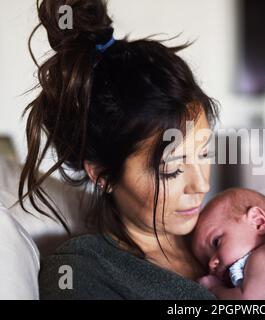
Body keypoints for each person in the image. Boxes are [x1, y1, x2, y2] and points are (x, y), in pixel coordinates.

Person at [19, 0, 218, 299]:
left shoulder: (225, 231)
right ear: (103, 175)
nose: (202, 185)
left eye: (203, 153)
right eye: (172, 168)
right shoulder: (81, 271)